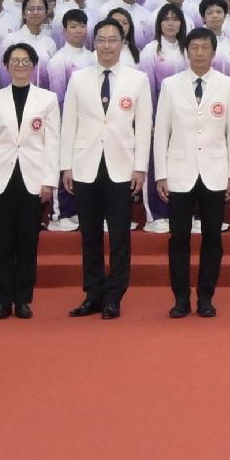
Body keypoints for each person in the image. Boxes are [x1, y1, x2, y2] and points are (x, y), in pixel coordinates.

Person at [62, 17, 151, 319]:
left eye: (114, 40)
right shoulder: (78, 78)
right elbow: (69, 124)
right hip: (85, 164)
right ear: (94, 42)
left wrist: (140, 168)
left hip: (121, 166)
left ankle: (115, 296)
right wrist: (66, 166)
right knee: (89, 234)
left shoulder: (136, 79)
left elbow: (143, 127)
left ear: (123, 43)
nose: (107, 45)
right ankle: (93, 294)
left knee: (119, 236)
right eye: (102, 39)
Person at [154, 27, 230, 317]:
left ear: (214, 52)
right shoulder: (170, 85)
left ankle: (206, 297)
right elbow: (161, 132)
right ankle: (180, 298)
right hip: (179, 171)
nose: (200, 53)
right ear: (186, 51)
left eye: (205, 48)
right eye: (194, 48)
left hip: (215, 172)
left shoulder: (227, 85)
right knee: (178, 237)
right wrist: (161, 174)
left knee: (212, 238)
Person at [0, 41, 61, 319]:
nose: (20, 65)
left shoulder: (46, 99)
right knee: (0, 244)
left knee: (27, 243)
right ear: (7, 65)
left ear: (34, 66)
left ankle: (23, 299)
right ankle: (2, 301)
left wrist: (49, 181)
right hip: (0, 178)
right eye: (15, 61)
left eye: (25, 61)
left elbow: (53, 143)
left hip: (33, 179)